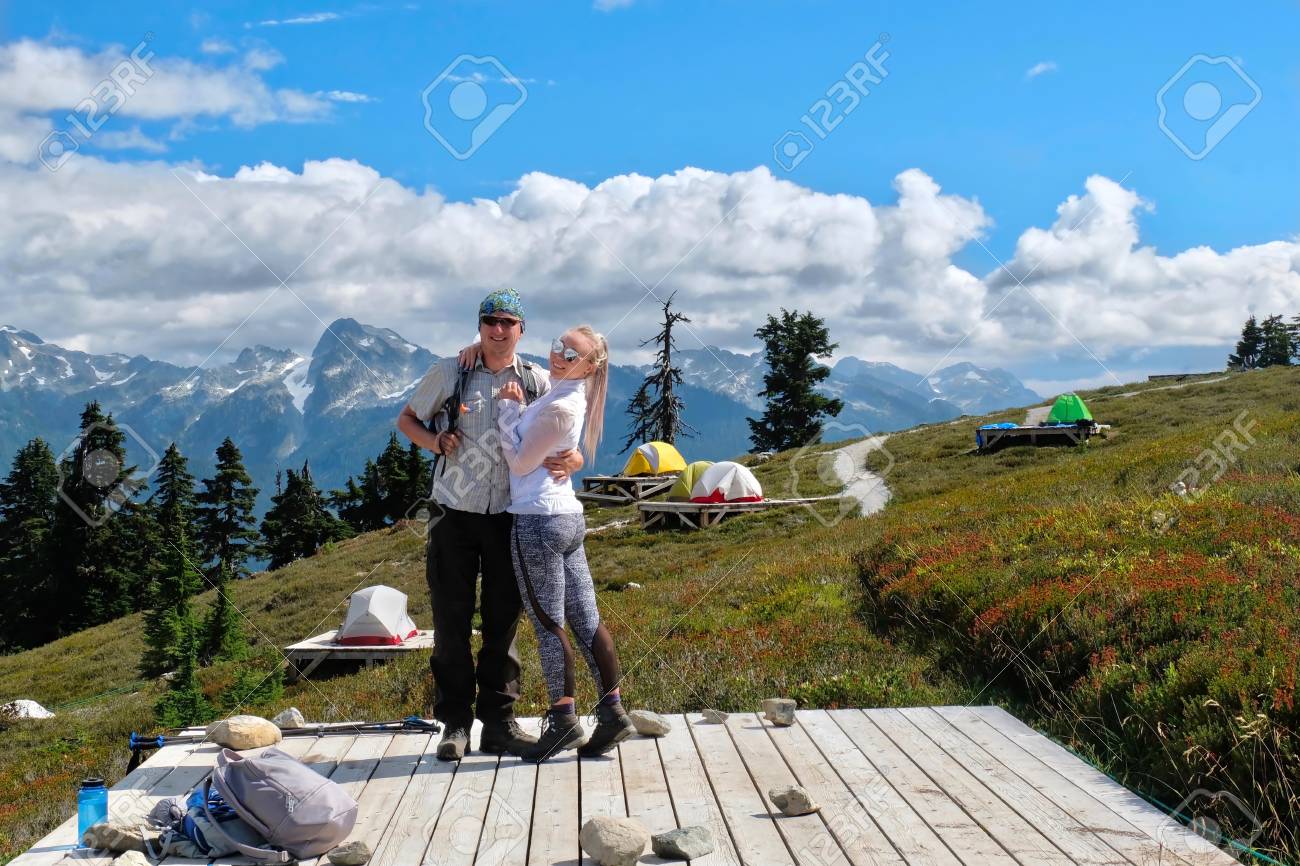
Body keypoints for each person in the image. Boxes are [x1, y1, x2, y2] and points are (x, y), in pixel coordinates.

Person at [396, 289, 584, 761]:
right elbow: (406, 420)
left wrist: (577, 458)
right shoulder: (450, 372)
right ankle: (455, 724)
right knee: (450, 621)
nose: (497, 330)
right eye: (489, 322)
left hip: (510, 517)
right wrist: (435, 441)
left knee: (503, 623)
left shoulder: (539, 381)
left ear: (522, 329)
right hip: (451, 513)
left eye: (507, 322)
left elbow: (564, 435)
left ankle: (498, 725)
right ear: (479, 326)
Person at [495, 325, 633, 761]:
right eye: (558, 345)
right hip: (568, 518)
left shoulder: (561, 407)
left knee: (549, 624)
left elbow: (519, 464)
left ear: (590, 366)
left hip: (538, 521)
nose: (559, 355)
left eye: (571, 354)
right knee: (585, 618)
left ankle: (562, 722)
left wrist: (507, 411)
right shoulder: (565, 394)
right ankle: (612, 714)